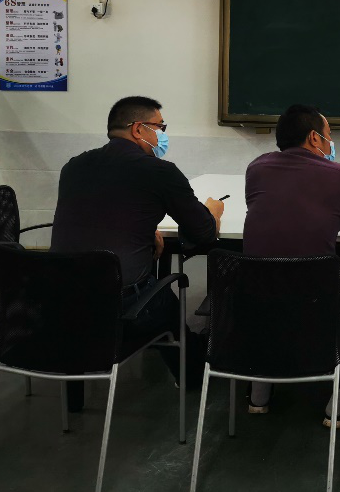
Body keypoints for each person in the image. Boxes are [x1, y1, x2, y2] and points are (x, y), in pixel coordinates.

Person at [51, 96, 224, 412]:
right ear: (138, 129)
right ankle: (192, 377)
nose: (162, 135)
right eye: (160, 127)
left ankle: (73, 397)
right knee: (165, 301)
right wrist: (213, 211)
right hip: (121, 306)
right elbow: (202, 234)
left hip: (57, 301)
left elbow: (95, 216)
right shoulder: (159, 171)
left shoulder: (74, 166)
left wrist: (144, 230)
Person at [243, 104, 340, 427]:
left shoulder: (256, 169)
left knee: (272, 286)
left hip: (256, 303)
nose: (331, 142)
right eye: (329, 135)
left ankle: (259, 394)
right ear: (314, 138)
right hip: (315, 307)